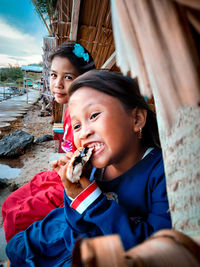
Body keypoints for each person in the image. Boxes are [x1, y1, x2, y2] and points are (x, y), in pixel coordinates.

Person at [6, 70, 172, 267]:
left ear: (136, 119)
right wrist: (73, 192)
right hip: (81, 237)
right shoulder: (92, 167)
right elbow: (77, 225)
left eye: (94, 115)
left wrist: (91, 200)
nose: (84, 133)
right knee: (17, 247)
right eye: (76, 126)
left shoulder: (163, 172)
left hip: (118, 251)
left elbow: (157, 251)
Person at [2, 41, 95, 243]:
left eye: (68, 77)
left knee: (17, 217)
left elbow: (84, 165)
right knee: (10, 203)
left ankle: (18, 255)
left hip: (73, 182)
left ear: (85, 79)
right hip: (60, 172)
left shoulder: (86, 115)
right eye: (53, 75)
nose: (57, 84)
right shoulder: (69, 107)